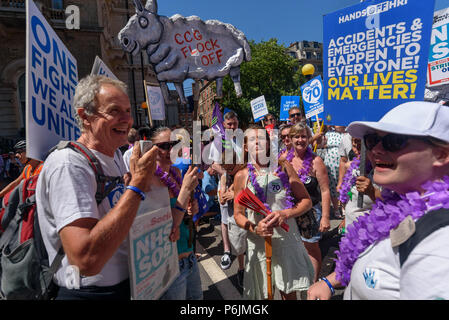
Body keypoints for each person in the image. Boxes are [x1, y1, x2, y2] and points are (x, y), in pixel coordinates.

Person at [307, 101, 449, 300]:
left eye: (394, 141)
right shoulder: (396, 205)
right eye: (372, 140)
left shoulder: (439, 242)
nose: (376, 150)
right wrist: (330, 281)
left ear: (442, 154)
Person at [36, 75, 159, 300]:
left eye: (128, 111)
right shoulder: (69, 164)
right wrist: (137, 185)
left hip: (127, 285)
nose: (126, 120)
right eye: (114, 111)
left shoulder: (115, 157)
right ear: (86, 116)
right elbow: (85, 260)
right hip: (89, 293)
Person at [233, 124, 314, 300]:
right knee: (263, 295)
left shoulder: (283, 167)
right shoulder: (242, 176)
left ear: (268, 143)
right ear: (246, 146)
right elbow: (238, 214)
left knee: (289, 294)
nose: (257, 142)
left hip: (286, 240)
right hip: (259, 243)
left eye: (261, 138)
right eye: (252, 139)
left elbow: (306, 201)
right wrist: (255, 228)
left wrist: (285, 214)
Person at [149, 126, 203, 300]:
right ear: (151, 147)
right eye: (164, 145)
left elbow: (182, 215)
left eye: (174, 144)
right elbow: (167, 226)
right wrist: (186, 189)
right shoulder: (149, 180)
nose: (170, 150)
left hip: (189, 256)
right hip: (168, 263)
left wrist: (190, 209)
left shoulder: (176, 172)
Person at [288, 122, 331, 283]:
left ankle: (312, 285)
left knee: (311, 248)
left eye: (304, 136)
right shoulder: (285, 160)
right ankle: (298, 279)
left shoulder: (316, 161)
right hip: (291, 211)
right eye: (296, 136)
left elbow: (325, 190)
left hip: (312, 212)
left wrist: (326, 217)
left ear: (309, 138)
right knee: (293, 247)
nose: (300, 140)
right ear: (291, 139)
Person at [217, 151, 246, 287]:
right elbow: (222, 199)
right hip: (233, 215)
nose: (228, 171)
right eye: (226, 168)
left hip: (247, 214)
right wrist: (222, 195)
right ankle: (241, 269)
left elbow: (250, 193)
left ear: (238, 163)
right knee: (239, 246)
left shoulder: (245, 173)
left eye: (230, 168)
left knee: (251, 246)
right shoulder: (225, 176)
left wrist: (235, 194)